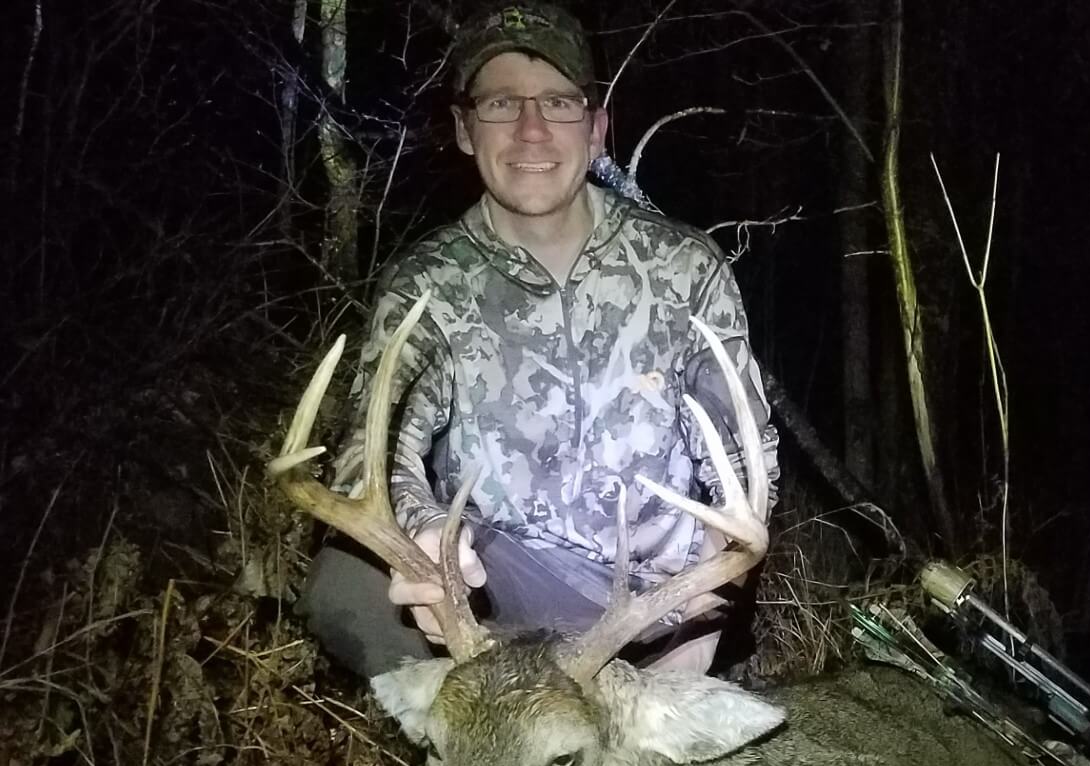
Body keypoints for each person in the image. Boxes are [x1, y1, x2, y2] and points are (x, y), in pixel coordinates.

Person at [299, 1, 780, 679]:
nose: (531, 130)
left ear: (596, 129)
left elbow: (746, 460)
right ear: (466, 129)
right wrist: (424, 536)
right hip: (506, 590)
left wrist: (701, 626)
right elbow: (369, 455)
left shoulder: (685, 269)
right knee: (345, 586)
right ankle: (467, 747)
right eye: (501, 103)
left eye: (558, 101)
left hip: (662, 609)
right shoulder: (427, 285)